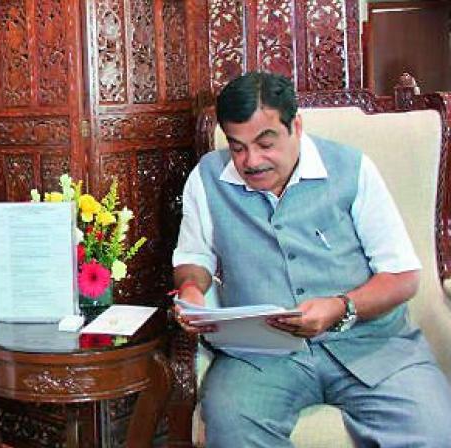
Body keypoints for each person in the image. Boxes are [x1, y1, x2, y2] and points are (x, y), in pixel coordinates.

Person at [172, 71, 451, 446]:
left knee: (434, 430)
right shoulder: (206, 177)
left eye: (265, 143)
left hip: (373, 345)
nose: (251, 161)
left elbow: (402, 277)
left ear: (296, 126)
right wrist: (191, 288)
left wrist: (341, 307)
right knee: (232, 426)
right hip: (262, 355)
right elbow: (194, 256)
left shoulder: (353, 169)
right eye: (237, 147)